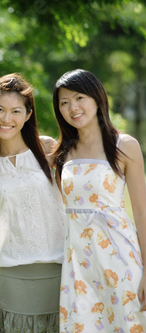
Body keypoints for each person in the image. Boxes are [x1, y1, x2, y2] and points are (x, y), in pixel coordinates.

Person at [52, 69, 146, 332]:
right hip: (77, 264)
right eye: (64, 102)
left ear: (97, 98)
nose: (73, 107)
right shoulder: (62, 152)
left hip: (119, 256)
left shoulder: (124, 146)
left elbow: (142, 212)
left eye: (79, 97)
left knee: (127, 323)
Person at [0, 73, 66, 333]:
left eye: (16, 111)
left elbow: (72, 203)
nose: (7, 119)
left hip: (57, 269)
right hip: (11, 273)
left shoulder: (47, 148)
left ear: (28, 114)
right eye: (0, 110)